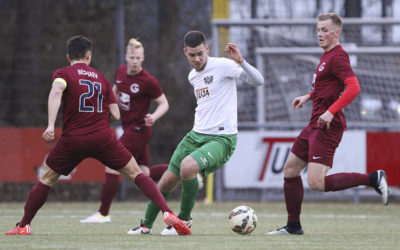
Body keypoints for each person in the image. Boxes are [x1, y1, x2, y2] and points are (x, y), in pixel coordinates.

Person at [5, 35, 191, 235]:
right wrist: (98, 120)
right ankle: (168, 212)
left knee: (47, 179)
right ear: (88, 56)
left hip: (73, 139)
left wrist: (51, 124)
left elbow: (57, 90)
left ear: (68, 57)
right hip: (102, 137)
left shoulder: (63, 73)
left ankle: (24, 225)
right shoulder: (101, 78)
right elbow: (115, 113)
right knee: (137, 173)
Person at [127, 30, 264, 235]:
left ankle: (184, 220)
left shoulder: (223, 65)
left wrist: (241, 61)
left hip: (222, 138)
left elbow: (258, 80)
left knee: (188, 167)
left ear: (207, 49)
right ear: (185, 53)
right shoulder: (192, 76)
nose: (197, 59)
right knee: (166, 181)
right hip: (195, 135)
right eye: (192, 55)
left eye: (200, 53)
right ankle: (146, 225)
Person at [267, 13, 389, 235]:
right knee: (291, 170)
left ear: (336, 33)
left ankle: (373, 178)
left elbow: (354, 87)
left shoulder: (338, 57)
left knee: (316, 182)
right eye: (318, 29)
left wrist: (331, 111)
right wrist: (308, 96)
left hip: (327, 127)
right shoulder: (326, 56)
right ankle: (293, 226)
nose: (320, 34)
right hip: (314, 124)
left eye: (324, 30)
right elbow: (327, 87)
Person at [80, 38, 171, 223]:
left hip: (139, 130)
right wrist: (106, 107)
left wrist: (153, 116)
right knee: (144, 173)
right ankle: (183, 173)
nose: (135, 61)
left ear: (143, 58)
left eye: (138, 57)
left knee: (112, 165)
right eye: (132, 57)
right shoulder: (120, 72)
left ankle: (103, 213)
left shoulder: (148, 81)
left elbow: (164, 103)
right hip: (128, 129)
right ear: (126, 57)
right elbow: (114, 92)